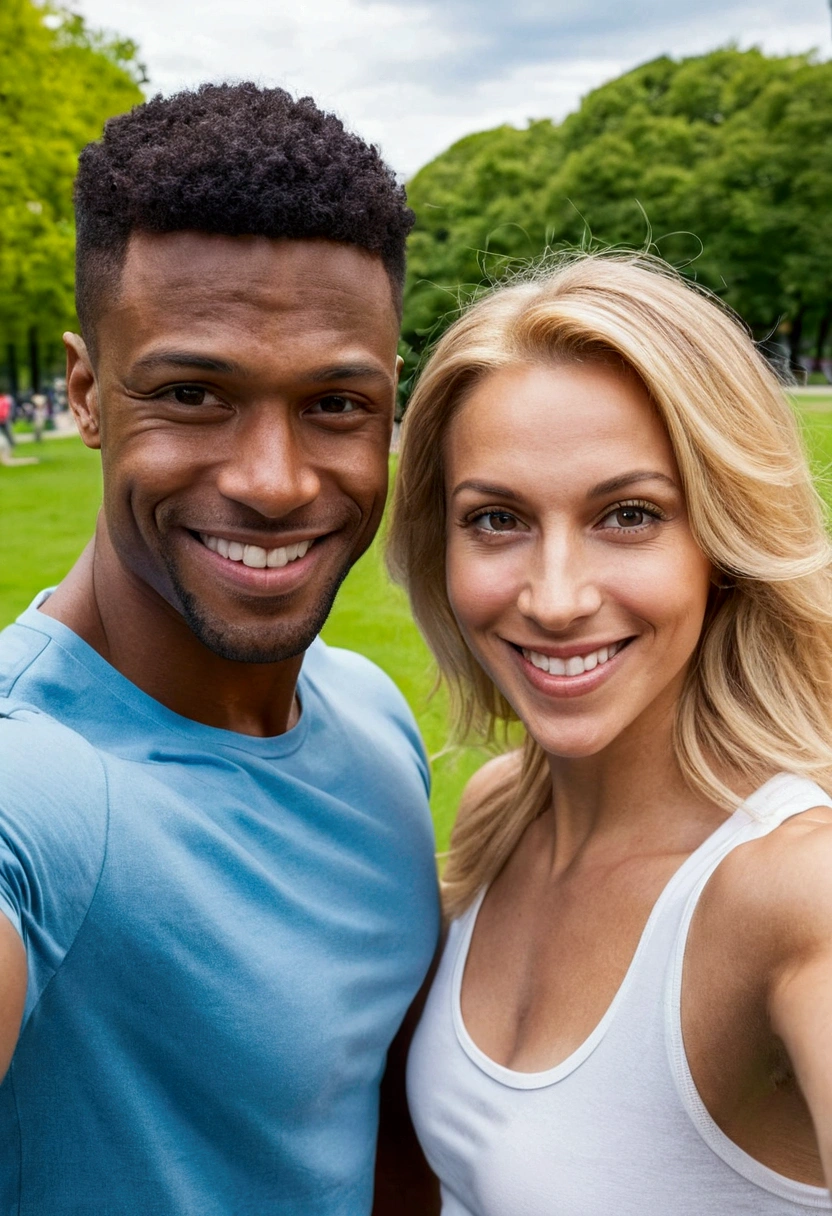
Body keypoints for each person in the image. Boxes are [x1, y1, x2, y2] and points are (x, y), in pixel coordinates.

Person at [0, 83, 440, 1214]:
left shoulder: (372, 713)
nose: (274, 480)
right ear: (89, 392)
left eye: (336, 403)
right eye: (193, 393)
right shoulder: (32, 784)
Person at [389, 254, 832, 1213]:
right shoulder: (498, 810)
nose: (554, 598)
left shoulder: (799, 890)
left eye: (628, 515)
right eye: (497, 518)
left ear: (724, 537)